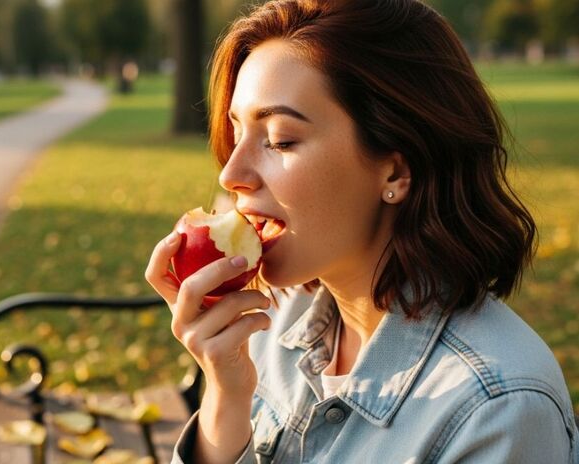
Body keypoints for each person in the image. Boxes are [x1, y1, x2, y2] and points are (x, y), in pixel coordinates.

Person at [145, 0, 579, 462]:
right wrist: (225, 399)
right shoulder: (272, 331)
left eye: (279, 140)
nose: (231, 173)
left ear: (394, 173)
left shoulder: (498, 411)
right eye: (236, 134)